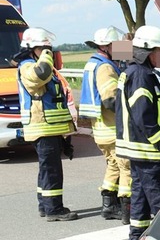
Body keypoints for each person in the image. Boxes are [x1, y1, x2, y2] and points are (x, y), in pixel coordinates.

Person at [116, 25, 160, 240]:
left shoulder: (140, 72)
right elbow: (144, 117)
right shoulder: (141, 75)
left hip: (140, 148)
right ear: (148, 51)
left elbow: (148, 105)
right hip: (148, 149)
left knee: (141, 194)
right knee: (158, 195)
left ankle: (136, 236)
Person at [15, 27, 78, 221]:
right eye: (43, 48)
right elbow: (40, 75)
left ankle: (45, 205)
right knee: (51, 170)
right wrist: (46, 57)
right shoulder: (27, 66)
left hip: (50, 126)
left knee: (46, 168)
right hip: (42, 126)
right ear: (31, 48)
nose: (47, 51)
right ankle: (54, 209)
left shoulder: (38, 63)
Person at [80, 26, 132, 224]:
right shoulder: (105, 67)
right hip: (111, 128)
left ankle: (108, 207)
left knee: (113, 166)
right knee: (126, 166)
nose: (121, 48)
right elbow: (110, 100)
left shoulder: (95, 62)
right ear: (106, 46)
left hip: (101, 128)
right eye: (117, 45)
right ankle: (127, 210)